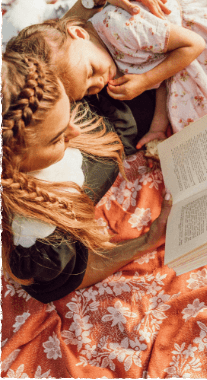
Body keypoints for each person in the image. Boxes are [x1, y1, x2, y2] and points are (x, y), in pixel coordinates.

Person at [8, 0, 207, 158]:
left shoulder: (120, 27)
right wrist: (155, 129)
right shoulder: (98, 56)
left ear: (79, 33)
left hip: (196, 40)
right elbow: (162, 77)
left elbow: (193, 45)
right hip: (176, 61)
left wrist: (144, 81)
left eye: (91, 72)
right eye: (90, 90)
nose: (99, 82)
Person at [1, 51, 172, 304]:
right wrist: (149, 240)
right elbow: (74, 276)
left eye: (68, 108)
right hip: (131, 121)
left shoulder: (22, 83)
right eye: (58, 138)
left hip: (126, 93)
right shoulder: (40, 240)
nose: (76, 130)